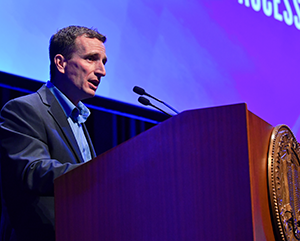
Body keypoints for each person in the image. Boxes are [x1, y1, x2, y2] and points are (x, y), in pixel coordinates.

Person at [0, 25, 107, 241]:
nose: (102, 71)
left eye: (103, 62)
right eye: (91, 59)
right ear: (60, 63)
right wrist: (101, 173)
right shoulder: (24, 109)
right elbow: (32, 170)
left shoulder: (79, 119)